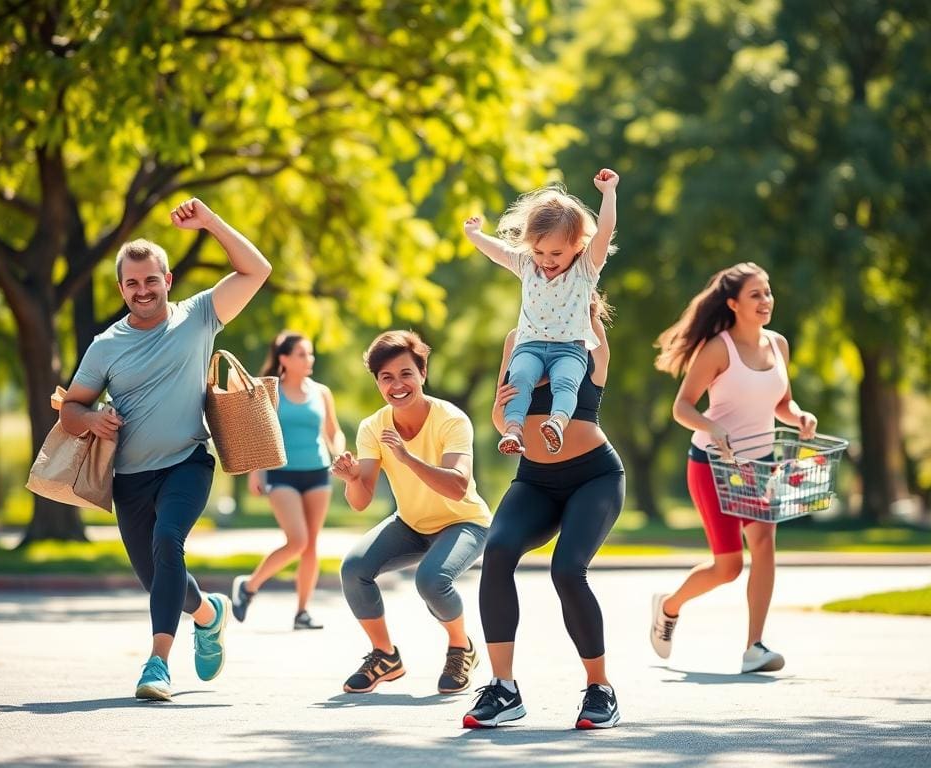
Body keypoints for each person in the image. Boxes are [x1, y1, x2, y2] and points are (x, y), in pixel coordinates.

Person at [61, 199, 272, 701]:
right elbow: (70, 409)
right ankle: (209, 613)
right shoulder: (104, 345)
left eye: (150, 280)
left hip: (188, 461)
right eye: (132, 283)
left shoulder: (199, 315)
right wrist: (92, 418)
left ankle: (157, 663)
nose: (142, 291)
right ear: (121, 289)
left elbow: (257, 269)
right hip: (130, 478)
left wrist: (210, 222)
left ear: (168, 280)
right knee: (157, 575)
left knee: (168, 540)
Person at [463, 301, 627, 730]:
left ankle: (600, 689)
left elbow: (586, 261)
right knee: (496, 551)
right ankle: (504, 689)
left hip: (595, 477)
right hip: (535, 478)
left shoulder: (587, 336)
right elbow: (502, 419)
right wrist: (502, 409)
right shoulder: (516, 340)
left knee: (568, 570)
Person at [650, 262, 818, 673]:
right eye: (755, 295)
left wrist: (798, 417)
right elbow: (682, 406)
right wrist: (711, 425)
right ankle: (669, 607)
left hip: (760, 463)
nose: (766, 301)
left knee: (764, 545)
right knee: (728, 566)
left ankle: (754, 647)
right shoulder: (717, 348)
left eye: (768, 292)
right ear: (733, 304)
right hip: (713, 463)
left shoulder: (777, 344)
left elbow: (781, 401)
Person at [331, 330, 490, 694]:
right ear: (377, 382)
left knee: (432, 581)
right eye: (386, 377)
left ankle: (460, 647)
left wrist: (406, 457)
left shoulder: (451, 419)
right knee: (354, 569)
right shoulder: (374, 426)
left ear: (423, 373)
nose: (397, 384)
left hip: (464, 522)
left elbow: (458, 485)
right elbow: (361, 500)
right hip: (412, 524)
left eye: (405, 374)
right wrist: (352, 477)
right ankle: (385, 656)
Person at [463, 168, 618, 456]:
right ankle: (513, 430)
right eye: (539, 252)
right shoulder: (527, 266)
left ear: (577, 246)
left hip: (569, 349)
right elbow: (498, 251)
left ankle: (557, 423)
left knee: (566, 382)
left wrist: (609, 194)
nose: (546, 261)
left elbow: (605, 232)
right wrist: (475, 235)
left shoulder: (585, 270)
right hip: (529, 347)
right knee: (519, 378)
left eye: (556, 254)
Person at [231, 331, 345, 629]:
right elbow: (257, 434)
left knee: (311, 546)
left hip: (318, 472)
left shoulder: (321, 392)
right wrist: (256, 470)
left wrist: (341, 453)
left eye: (310, 353)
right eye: (302, 354)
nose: (310, 359)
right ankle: (249, 586)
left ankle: (302, 612)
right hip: (281, 473)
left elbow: (334, 431)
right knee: (298, 540)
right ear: (284, 359)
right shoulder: (270, 391)